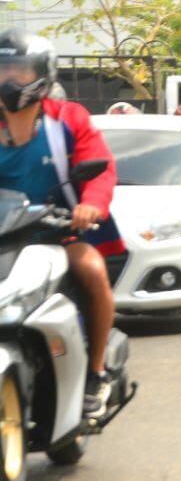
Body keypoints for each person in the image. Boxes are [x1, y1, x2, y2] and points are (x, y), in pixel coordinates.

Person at [0, 29, 121, 419]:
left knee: (92, 270)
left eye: (19, 69)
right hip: (4, 240)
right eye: (2, 69)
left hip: (58, 235)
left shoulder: (68, 119)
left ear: (42, 75)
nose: (8, 78)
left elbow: (102, 168)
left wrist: (90, 205)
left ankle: (96, 373)